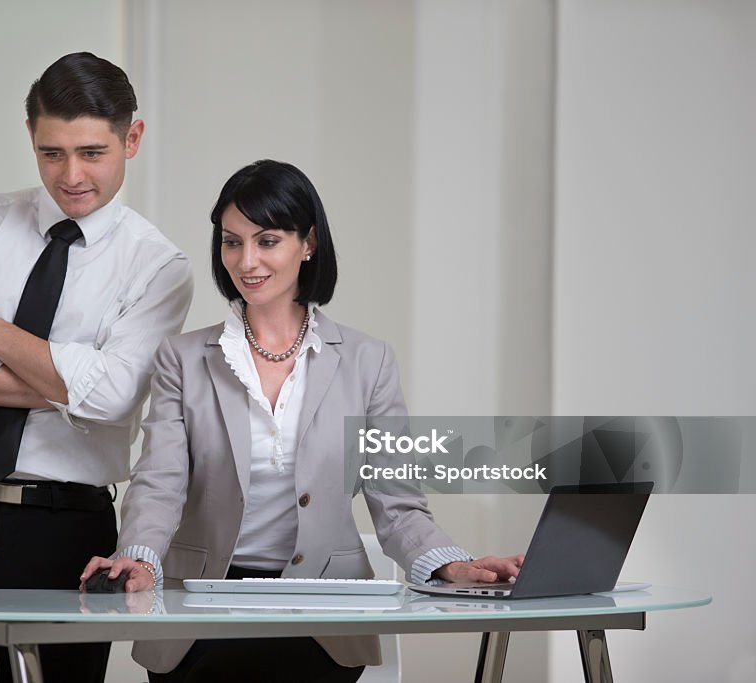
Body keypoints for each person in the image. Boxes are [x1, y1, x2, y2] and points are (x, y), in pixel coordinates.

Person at [80, 160, 522, 683]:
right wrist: (138, 557)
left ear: (307, 243)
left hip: (324, 618)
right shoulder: (182, 357)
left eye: (267, 240)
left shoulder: (368, 362)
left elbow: (397, 504)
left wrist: (453, 566)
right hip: (200, 614)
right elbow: (159, 482)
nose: (246, 261)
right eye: (231, 242)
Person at [0, 52, 193, 683]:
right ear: (31, 135)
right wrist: (64, 388)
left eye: (92, 152)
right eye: (52, 152)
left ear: (131, 139)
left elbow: (114, 397)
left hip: (66, 532)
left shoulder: (159, 267)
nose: (72, 174)